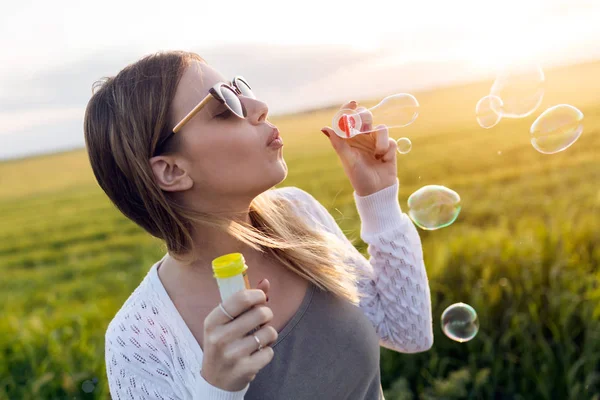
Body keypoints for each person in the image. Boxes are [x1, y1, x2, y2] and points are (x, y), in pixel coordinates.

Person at [83, 50, 433, 400]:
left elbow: (408, 332)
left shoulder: (297, 213)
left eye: (240, 89)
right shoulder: (136, 340)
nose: (259, 106)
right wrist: (216, 388)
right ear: (171, 171)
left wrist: (378, 197)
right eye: (224, 107)